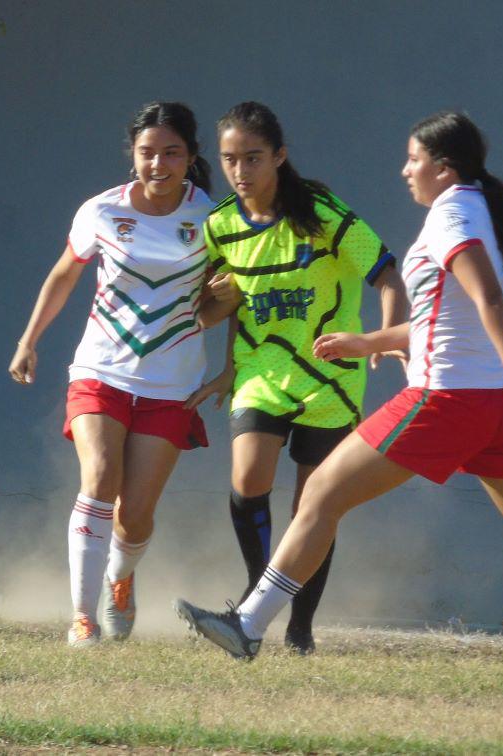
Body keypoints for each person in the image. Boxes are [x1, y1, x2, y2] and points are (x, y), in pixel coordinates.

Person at [176, 110, 503, 671]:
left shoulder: (453, 216)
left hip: (447, 400)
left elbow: (489, 300)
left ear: (444, 169)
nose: (405, 171)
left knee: (322, 493)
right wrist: (371, 340)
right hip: (491, 406)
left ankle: (249, 626)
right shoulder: (470, 208)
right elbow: (441, 319)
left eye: (414, 159)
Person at [10, 102, 237, 648]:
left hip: (173, 381)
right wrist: (29, 340)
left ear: (191, 157)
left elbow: (234, 294)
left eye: (171, 152)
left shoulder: (215, 218)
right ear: (132, 155)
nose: (158, 163)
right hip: (100, 368)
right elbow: (64, 275)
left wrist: (230, 365)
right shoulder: (102, 211)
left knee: (134, 516)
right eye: (147, 153)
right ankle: (81, 617)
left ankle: (120, 575)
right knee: (100, 477)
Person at [184, 102, 407, 654]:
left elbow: (386, 274)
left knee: (314, 507)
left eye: (253, 158)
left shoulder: (323, 214)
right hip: (262, 372)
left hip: (331, 376)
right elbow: (209, 310)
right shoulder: (221, 226)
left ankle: (298, 629)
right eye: (230, 160)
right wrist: (217, 316)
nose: (241, 171)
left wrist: (386, 338)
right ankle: (258, 604)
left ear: (279, 157)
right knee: (247, 482)